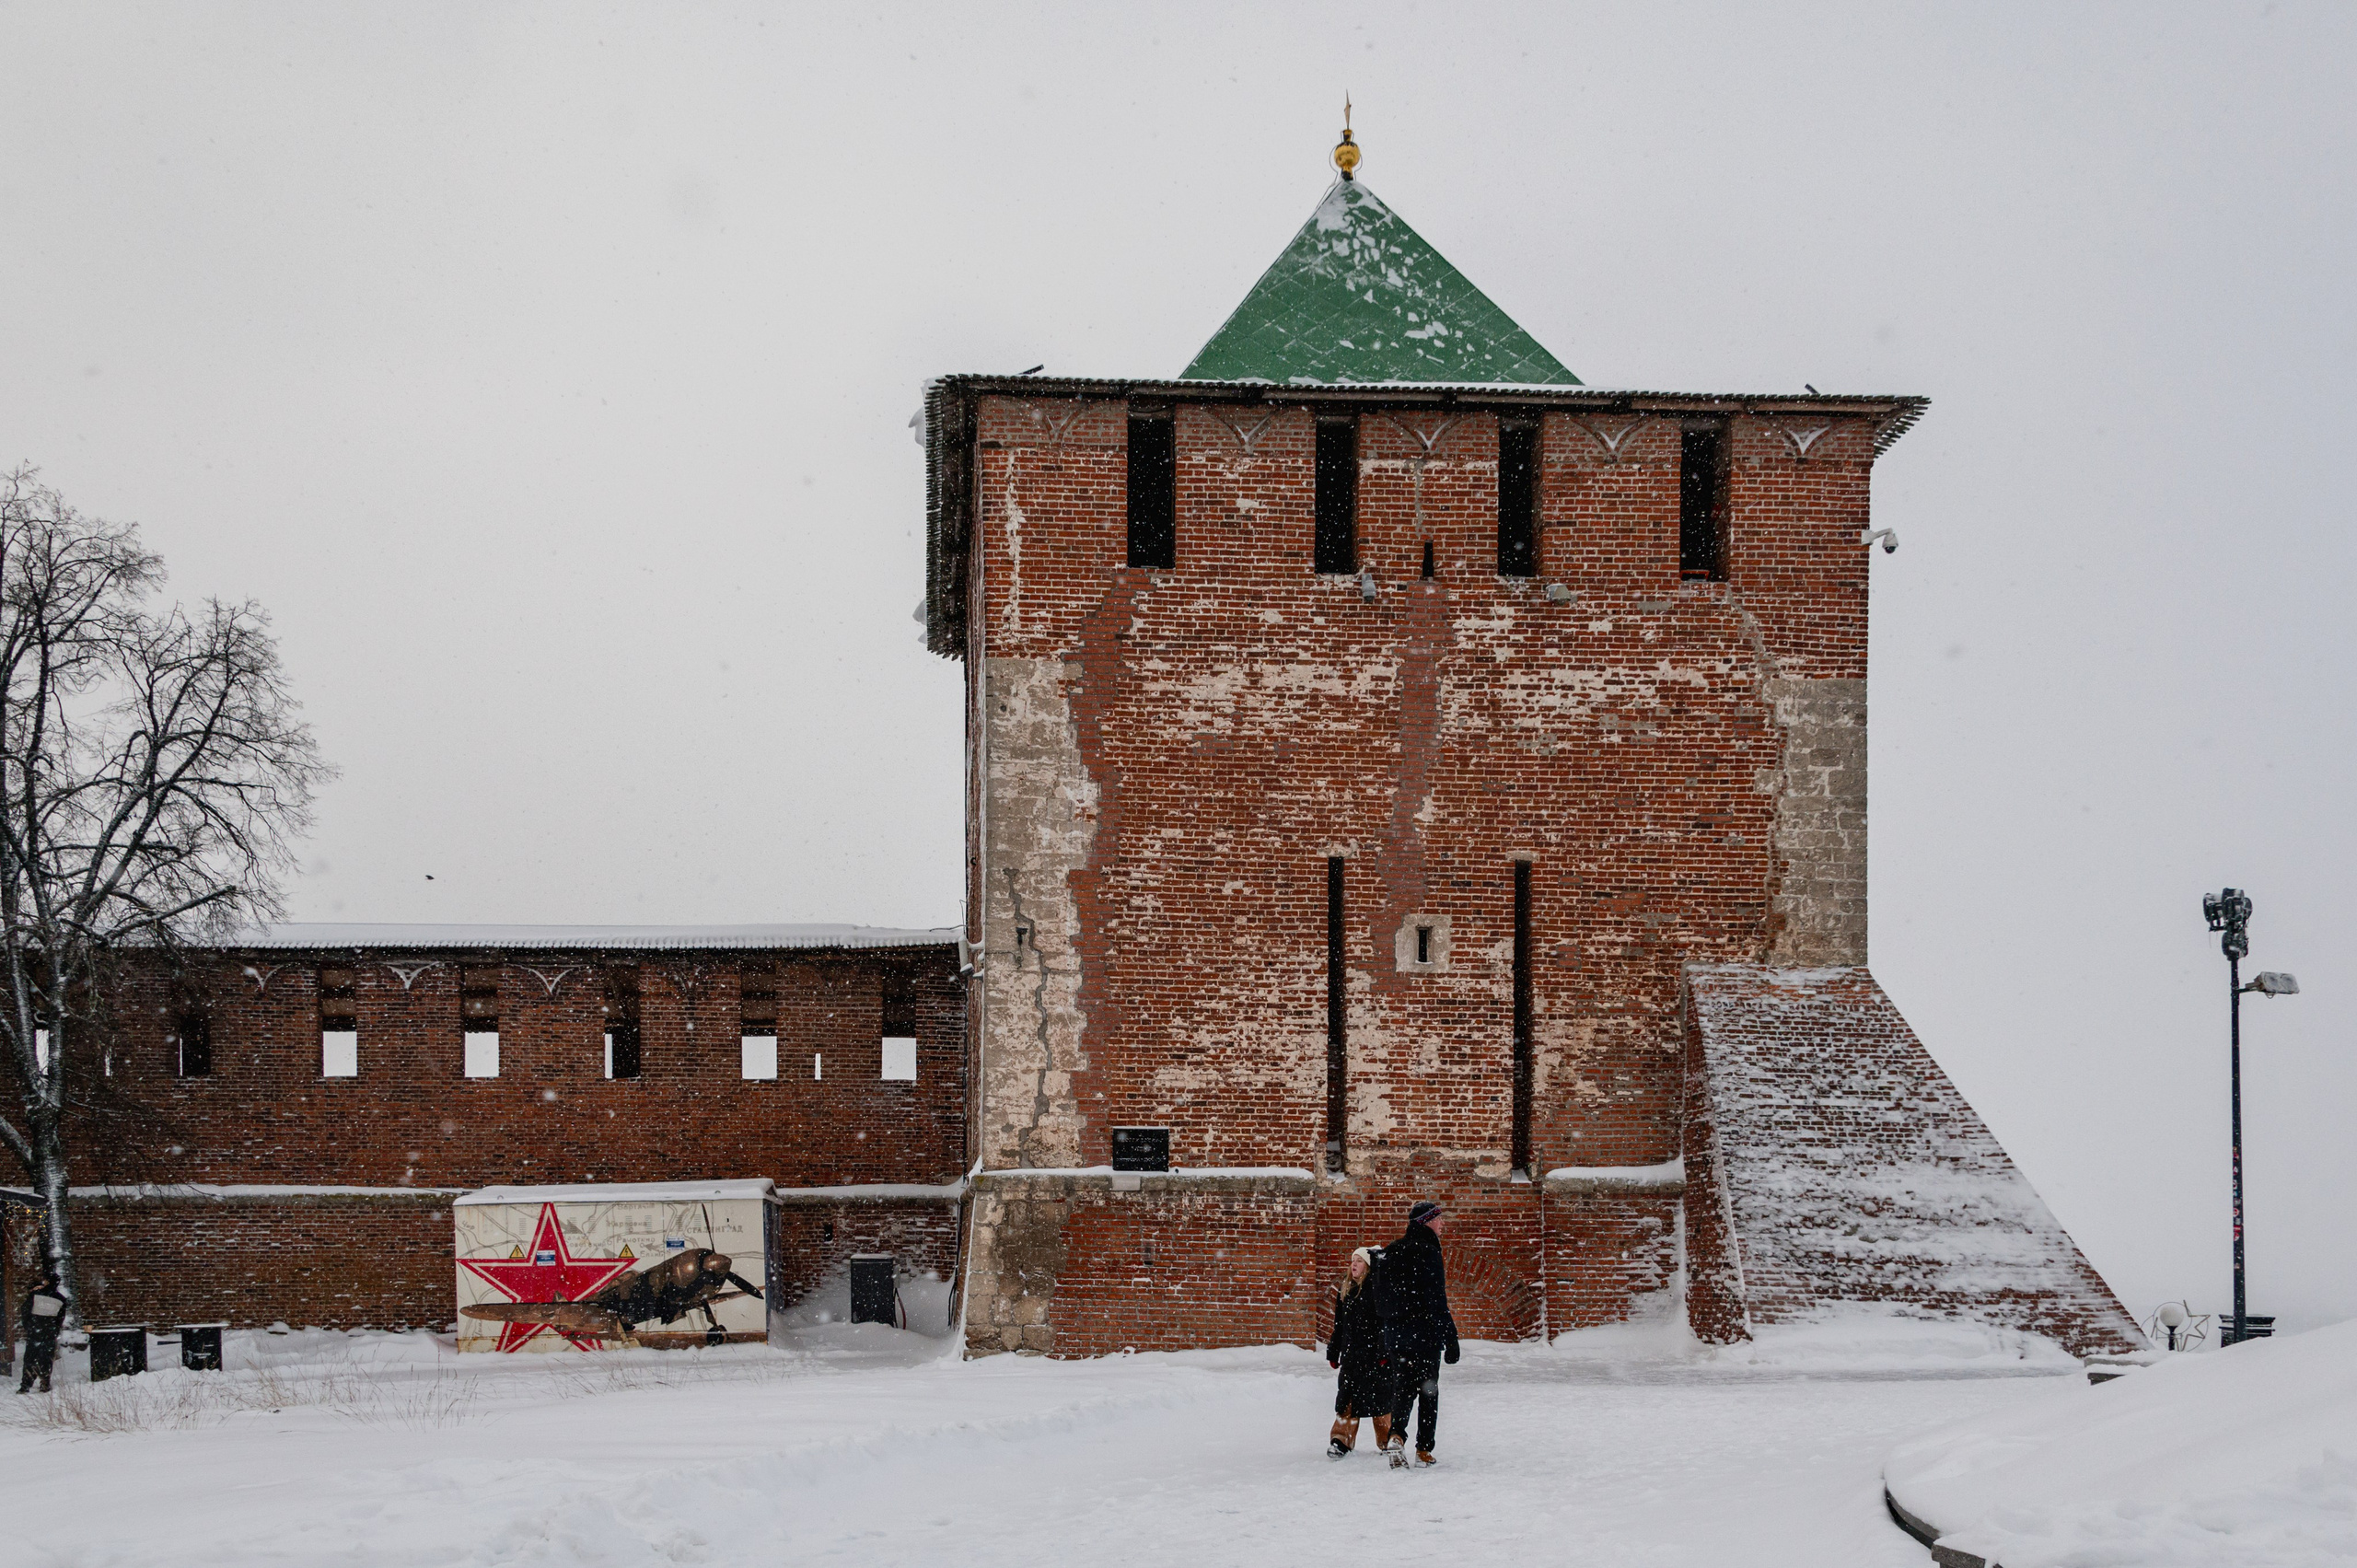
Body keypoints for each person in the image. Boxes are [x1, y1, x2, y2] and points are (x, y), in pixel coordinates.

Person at [1376, 1200, 1457, 1469]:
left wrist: (1389, 1330)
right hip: (1425, 1335)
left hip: (1397, 1336)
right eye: (1439, 1219)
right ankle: (1423, 1450)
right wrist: (1451, 1338)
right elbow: (1437, 1299)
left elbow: (1380, 1299)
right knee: (1428, 1391)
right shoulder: (1429, 1251)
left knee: (1402, 1389)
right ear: (1426, 1222)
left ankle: (1397, 1435)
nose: (1443, 1224)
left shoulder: (1392, 1251)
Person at [1325, 1246, 1391, 1457]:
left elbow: (1385, 1325)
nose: (1354, 1264)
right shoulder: (1346, 1290)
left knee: (1380, 1403)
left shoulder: (1378, 1290)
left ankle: (1388, 1442)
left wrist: (1383, 1353)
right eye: (1352, 1260)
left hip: (1374, 1357)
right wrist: (1334, 1352)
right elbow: (1340, 1326)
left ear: (1369, 1266)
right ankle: (1341, 1440)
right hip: (1352, 1357)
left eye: (1359, 1261)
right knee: (1346, 1400)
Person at [18, 1268, 65, 1395]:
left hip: (35, 1330)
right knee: (46, 1358)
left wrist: (29, 1326)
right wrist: (54, 1329)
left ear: (48, 1282)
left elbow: (25, 1311)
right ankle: (45, 1383)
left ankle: (26, 1385)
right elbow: (60, 1319)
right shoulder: (61, 1299)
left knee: (30, 1357)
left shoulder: (35, 1295)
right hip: (49, 1332)